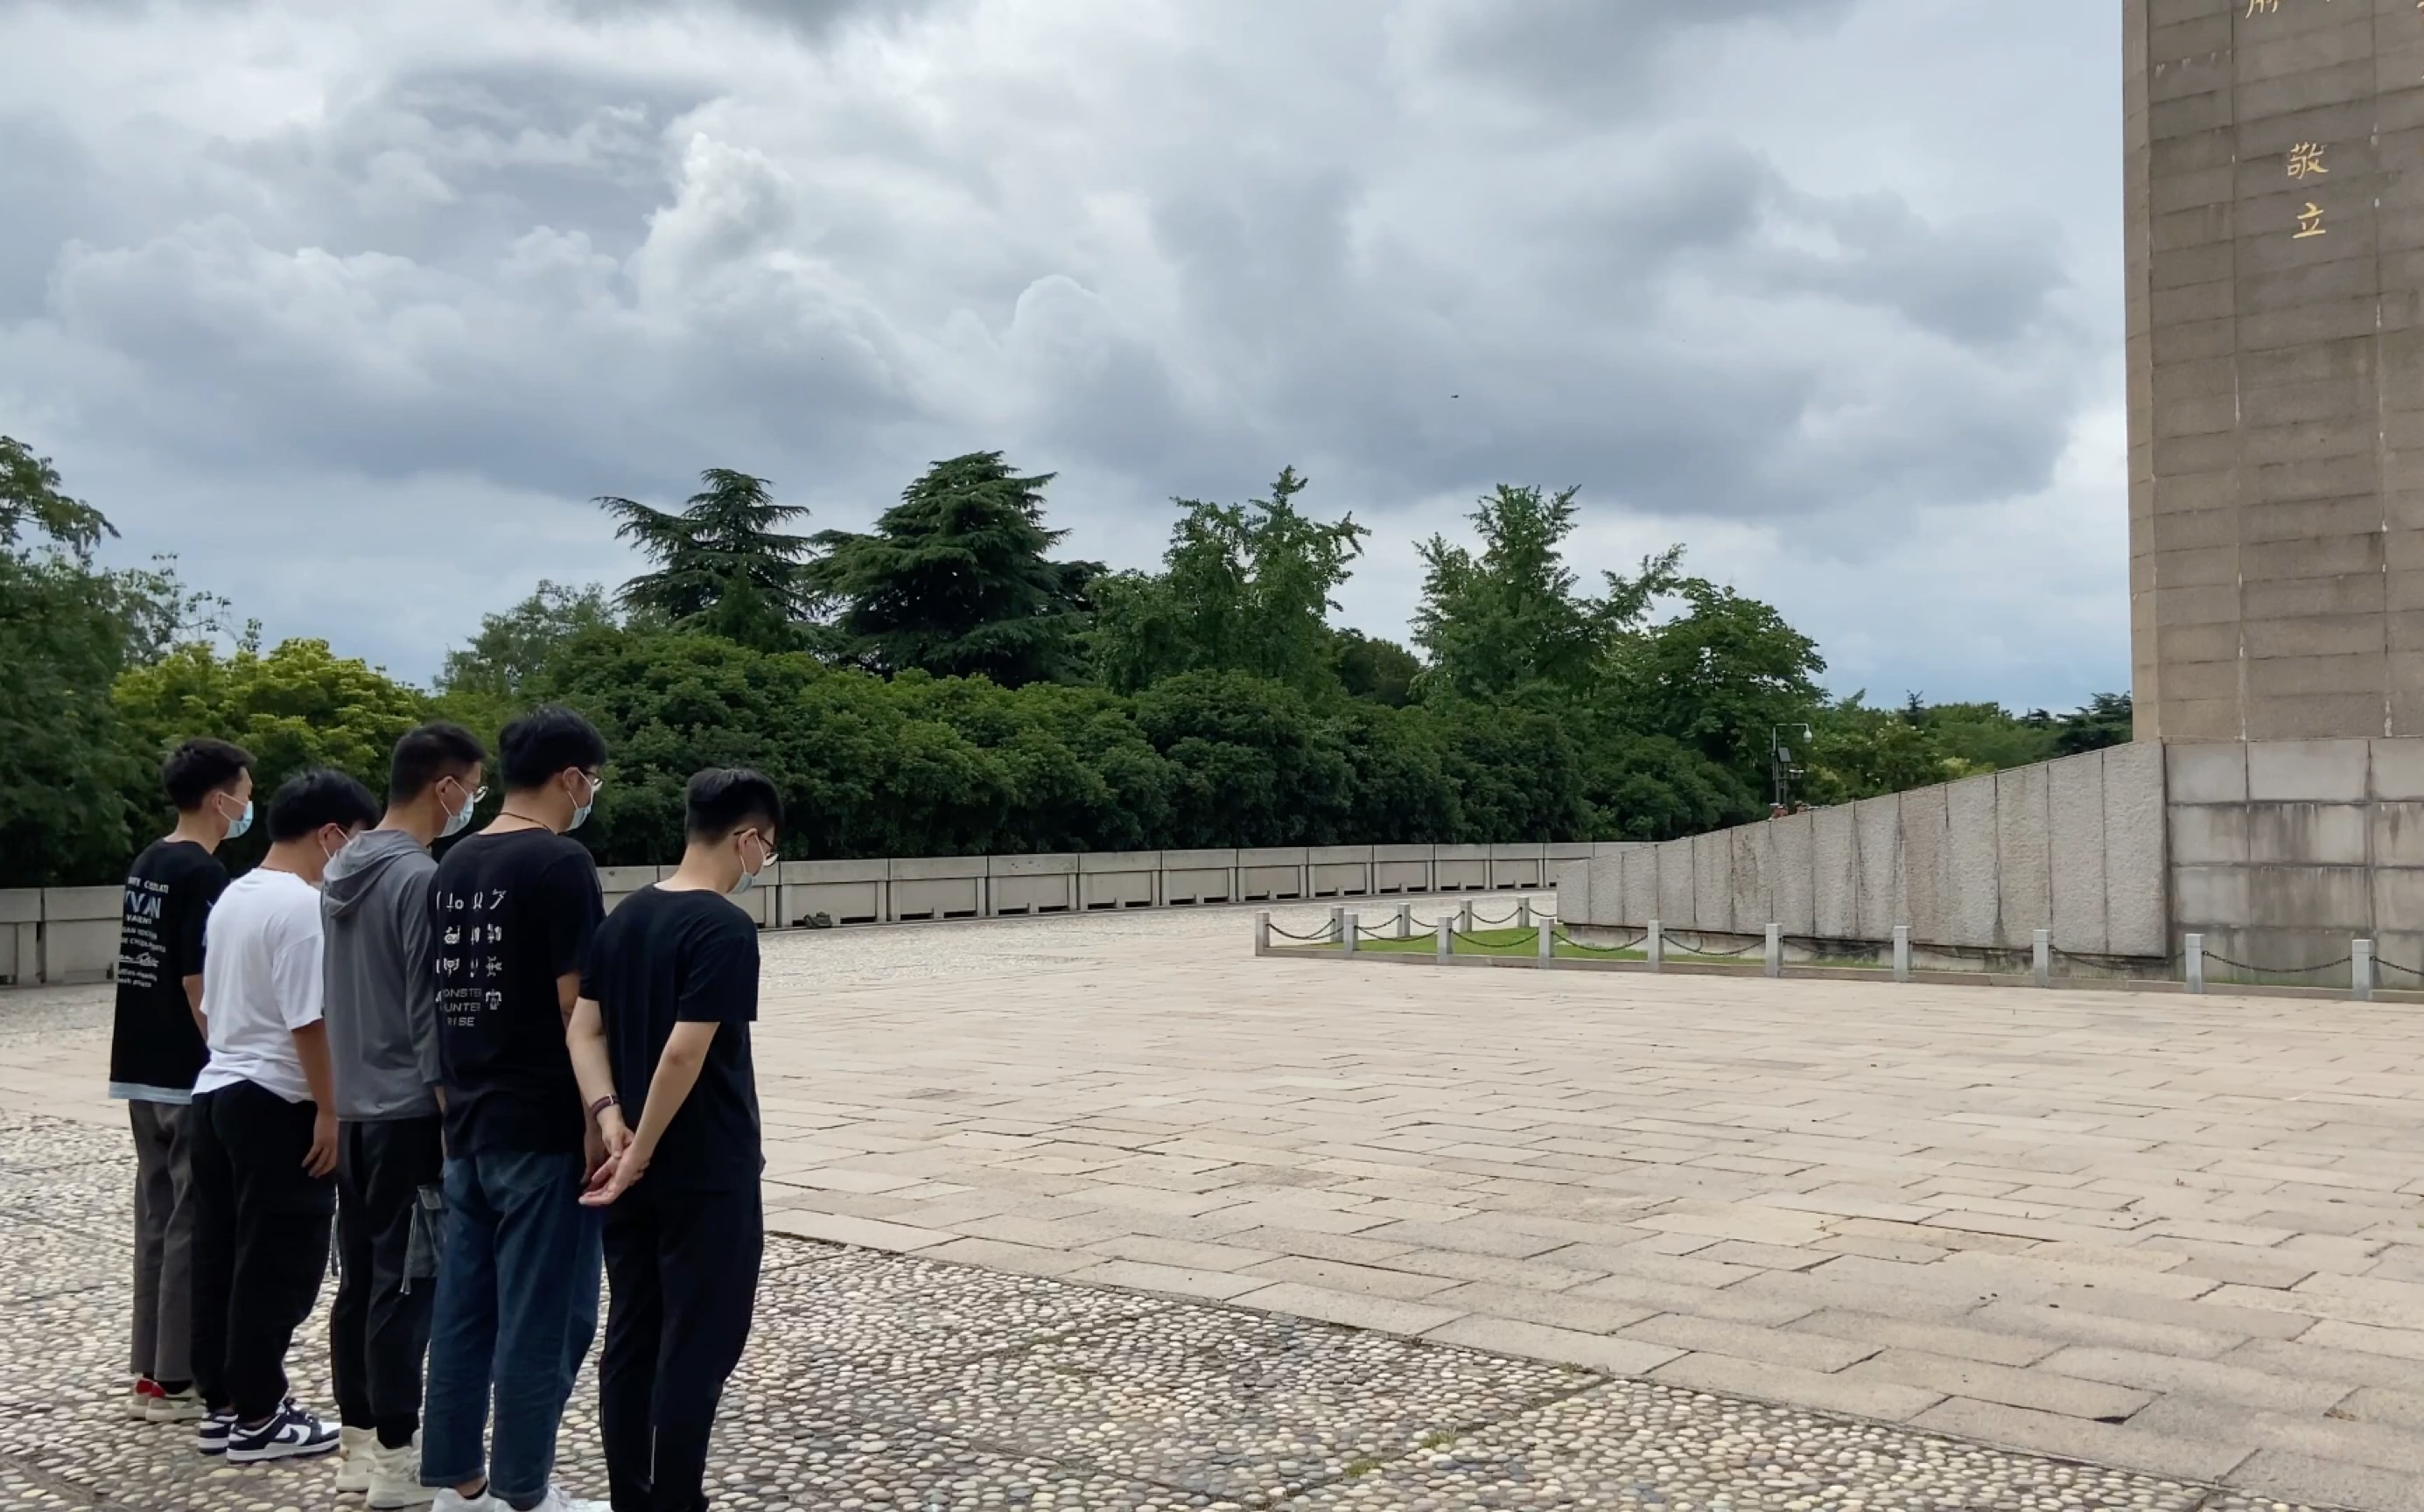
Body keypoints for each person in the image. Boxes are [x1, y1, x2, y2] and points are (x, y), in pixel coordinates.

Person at [570, 769, 777, 1512]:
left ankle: (634, 1492)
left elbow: (583, 1029)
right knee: (701, 1338)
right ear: (748, 838)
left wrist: (610, 1122)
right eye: (767, 846)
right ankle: (677, 1497)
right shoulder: (722, 928)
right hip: (704, 1166)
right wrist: (644, 1146)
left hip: (631, 1162)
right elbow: (686, 1052)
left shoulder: (625, 918)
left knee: (634, 1330)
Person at [422, 706, 612, 1512]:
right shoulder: (560, 864)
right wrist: (597, 1121)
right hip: (541, 1128)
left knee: (465, 1311)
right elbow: (580, 1010)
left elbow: (439, 1000)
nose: (591, 794)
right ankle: (526, 1492)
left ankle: (460, 1486)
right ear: (569, 777)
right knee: (547, 1317)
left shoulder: (453, 864)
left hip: (468, 1123)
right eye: (592, 781)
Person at [186, 768, 382, 1463]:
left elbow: (209, 1001)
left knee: (219, 1256)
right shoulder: (302, 908)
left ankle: (224, 1404)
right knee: (278, 1265)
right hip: (277, 1101)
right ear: (332, 836)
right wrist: (330, 1112)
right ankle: (262, 1416)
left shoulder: (236, 893)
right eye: (358, 841)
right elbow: (311, 1022)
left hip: (216, 1093)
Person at [324, 723, 489, 1508]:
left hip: (356, 1105)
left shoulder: (342, 871)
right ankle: (397, 1450)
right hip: (408, 1110)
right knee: (405, 1286)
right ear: (446, 788)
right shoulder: (420, 878)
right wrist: (449, 1106)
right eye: (472, 788)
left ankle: (358, 1443)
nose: (471, 805)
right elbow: (431, 1006)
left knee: (361, 1282)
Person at [108, 736, 255, 1424]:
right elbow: (198, 979)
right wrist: (225, 1054)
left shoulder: (148, 862)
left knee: (157, 1215)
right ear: (220, 798)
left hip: (137, 1066)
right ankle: (175, 1377)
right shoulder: (202, 874)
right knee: (191, 1220)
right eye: (246, 793)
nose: (248, 806)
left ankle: (149, 1367)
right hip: (186, 1071)